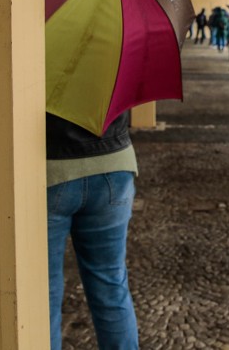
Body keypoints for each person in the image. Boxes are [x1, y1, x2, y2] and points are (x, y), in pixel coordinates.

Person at [46, 111, 139, 350]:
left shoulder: (36, 71)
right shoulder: (109, 70)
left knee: (44, 291)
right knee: (110, 281)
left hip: (49, 170)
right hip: (113, 163)